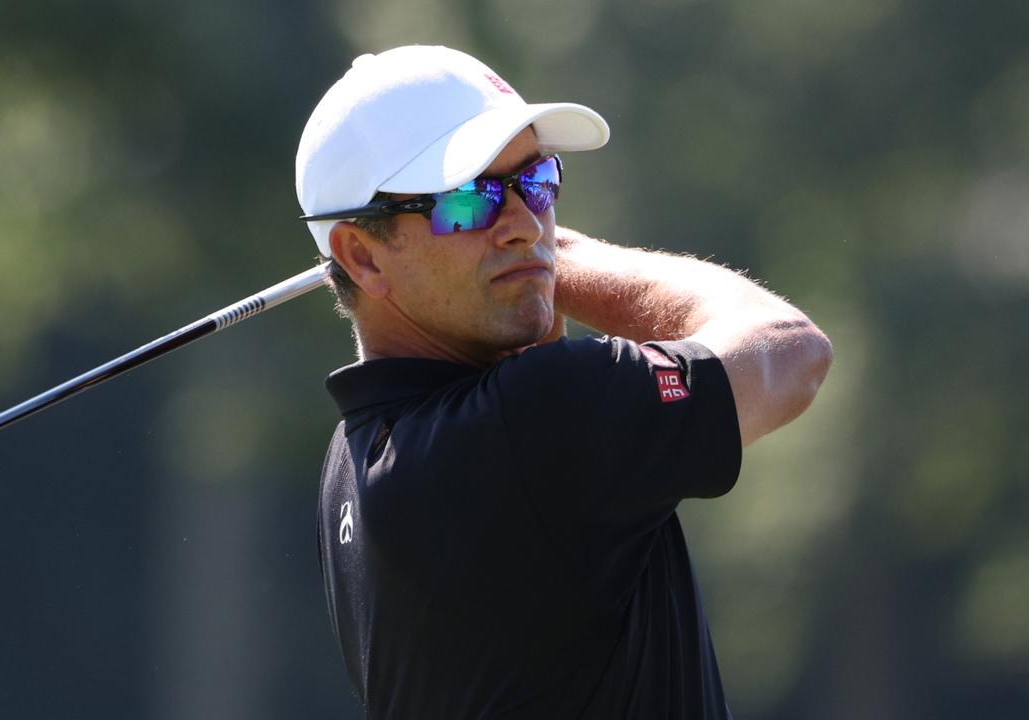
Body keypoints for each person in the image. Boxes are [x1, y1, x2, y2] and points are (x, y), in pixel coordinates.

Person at [295, 45, 833, 719]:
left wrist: (519, 260)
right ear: (361, 256)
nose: (524, 224)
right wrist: (566, 257)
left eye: (537, 180)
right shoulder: (536, 418)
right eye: (468, 200)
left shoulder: (350, 462)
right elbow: (789, 351)